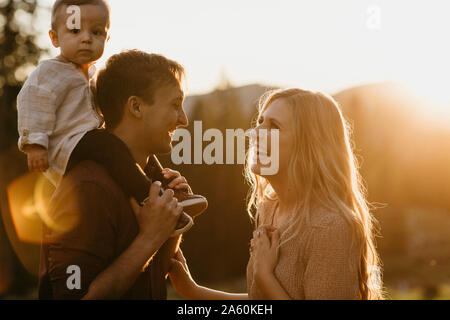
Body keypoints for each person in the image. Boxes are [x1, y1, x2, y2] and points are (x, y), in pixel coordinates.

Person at [168, 88, 384, 300]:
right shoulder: (271, 207)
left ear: (309, 145)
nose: (255, 133)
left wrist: (264, 275)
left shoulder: (331, 227)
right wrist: (193, 292)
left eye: (274, 126)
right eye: (260, 122)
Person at [16, 0, 207, 234]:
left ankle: (167, 191)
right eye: (75, 31)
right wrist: (35, 144)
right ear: (55, 38)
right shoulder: (48, 73)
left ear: (106, 39)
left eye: (96, 32)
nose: (86, 38)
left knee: (134, 154)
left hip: (89, 140)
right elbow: (32, 103)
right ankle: (148, 197)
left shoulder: (93, 74)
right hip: (65, 147)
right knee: (111, 146)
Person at [38, 50, 194, 299]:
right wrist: (150, 238)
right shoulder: (86, 190)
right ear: (136, 106)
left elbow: (149, 278)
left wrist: (172, 217)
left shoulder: (151, 184)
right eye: (175, 105)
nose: (184, 119)